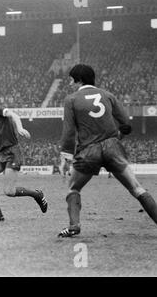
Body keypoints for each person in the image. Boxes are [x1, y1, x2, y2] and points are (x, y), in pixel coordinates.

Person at [58, 64, 157, 237]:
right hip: (113, 148)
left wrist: (65, 159)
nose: (71, 84)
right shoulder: (108, 95)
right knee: (136, 188)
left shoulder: (71, 99)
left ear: (79, 80)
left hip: (88, 151)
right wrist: (115, 137)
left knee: (73, 188)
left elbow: (68, 133)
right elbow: (126, 123)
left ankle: (74, 226)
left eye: (72, 81)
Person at [0, 86, 48, 222]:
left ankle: (37, 194)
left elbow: (14, 115)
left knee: (9, 192)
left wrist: (20, 127)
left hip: (12, 152)